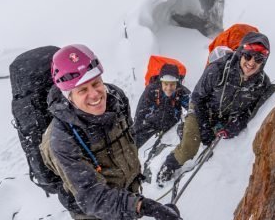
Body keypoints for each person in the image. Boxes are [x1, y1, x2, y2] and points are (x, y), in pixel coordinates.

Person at [40, 44, 181, 220]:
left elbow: (128, 142)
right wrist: (144, 206)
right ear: (69, 96)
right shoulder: (62, 138)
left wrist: (135, 201)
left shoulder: (117, 99)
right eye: (82, 90)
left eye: (96, 83)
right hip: (95, 213)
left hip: (127, 195)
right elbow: (93, 196)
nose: (95, 94)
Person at [157, 32, 272, 185]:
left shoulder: (261, 84)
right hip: (200, 109)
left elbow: (251, 110)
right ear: (240, 53)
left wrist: (236, 124)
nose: (251, 63)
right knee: (190, 147)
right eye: (248, 56)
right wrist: (204, 128)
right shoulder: (218, 69)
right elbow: (197, 98)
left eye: (258, 59)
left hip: (223, 116)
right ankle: (168, 166)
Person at [133, 64, 190, 148]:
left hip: (171, 127)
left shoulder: (180, 91)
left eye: (172, 84)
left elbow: (194, 105)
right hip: (150, 128)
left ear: (177, 82)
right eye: (166, 84)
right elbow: (139, 115)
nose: (169, 88)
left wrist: (187, 125)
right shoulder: (151, 90)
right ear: (161, 82)